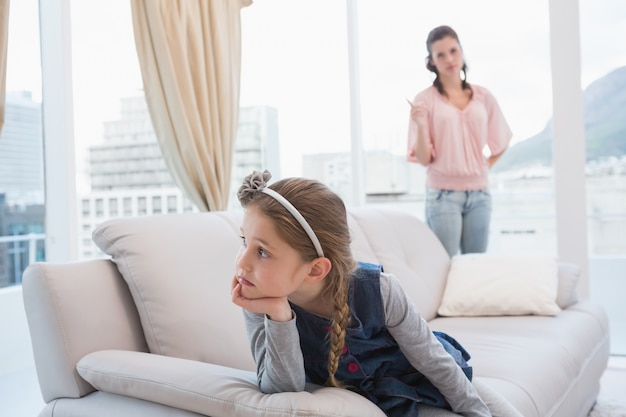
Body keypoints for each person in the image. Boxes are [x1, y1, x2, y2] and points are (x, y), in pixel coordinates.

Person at [231, 169, 522, 417]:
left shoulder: (380, 290)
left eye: (263, 252)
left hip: (428, 377)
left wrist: (475, 410)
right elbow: (282, 390)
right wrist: (280, 316)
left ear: (316, 269)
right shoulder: (261, 301)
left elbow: (433, 360)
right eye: (244, 241)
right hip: (386, 400)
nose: (242, 262)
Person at [407, 25, 512, 258]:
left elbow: (502, 139)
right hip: (442, 196)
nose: (449, 59)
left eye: (453, 51)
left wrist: (486, 166)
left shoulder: (483, 96)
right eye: (440, 55)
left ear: (461, 51)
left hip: (480, 194)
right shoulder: (424, 101)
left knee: (475, 266)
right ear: (432, 61)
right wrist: (421, 126)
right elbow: (424, 159)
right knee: (444, 265)